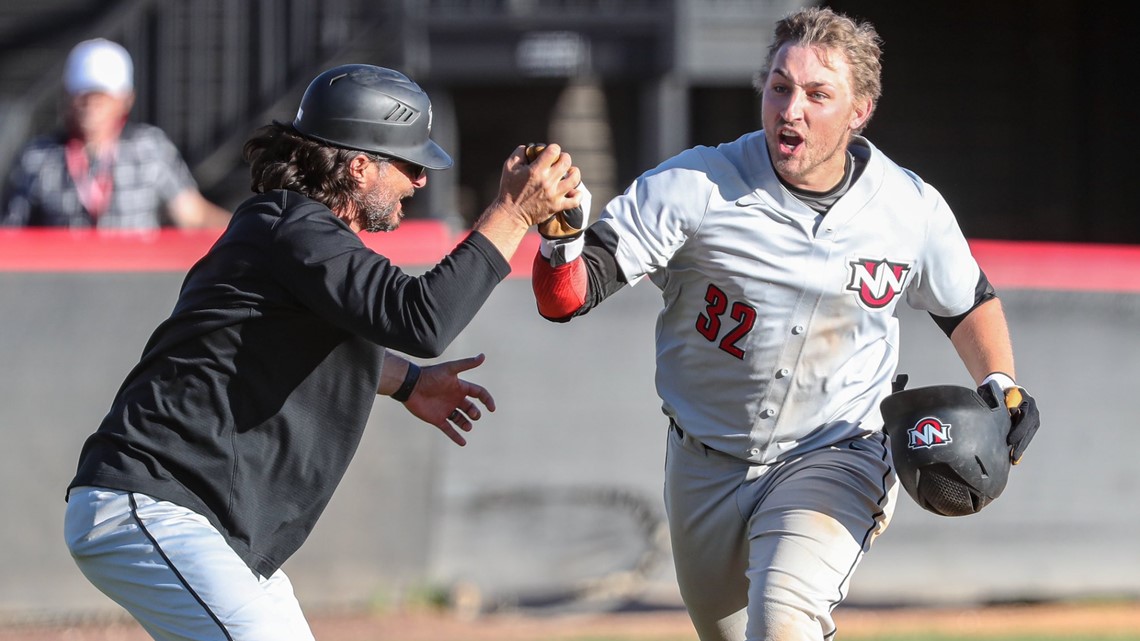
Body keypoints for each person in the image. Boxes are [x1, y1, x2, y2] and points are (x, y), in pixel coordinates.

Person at [531, 7, 1040, 641]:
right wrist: (559, 243)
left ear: (860, 112)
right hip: (703, 462)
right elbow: (566, 299)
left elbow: (966, 301)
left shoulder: (908, 206)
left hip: (836, 449)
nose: (790, 108)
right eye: (779, 87)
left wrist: (1000, 382)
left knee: (784, 624)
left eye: (818, 94)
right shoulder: (698, 184)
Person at [63, 63, 582, 640]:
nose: (420, 180)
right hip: (152, 500)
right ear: (360, 166)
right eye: (410, 164)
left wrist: (407, 382)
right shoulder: (292, 227)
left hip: (195, 518)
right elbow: (423, 319)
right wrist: (510, 214)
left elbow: (302, 341)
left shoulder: (292, 235)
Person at [2, 38, 230, 229]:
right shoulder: (38, 157)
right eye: (81, 94)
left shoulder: (148, 147)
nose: (90, 104)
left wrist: (247, 236)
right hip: (59, 278)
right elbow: (13, 229)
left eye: (101, 95)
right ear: (66, 97)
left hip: (134, 278)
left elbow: (191, 214)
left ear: (125, 100)